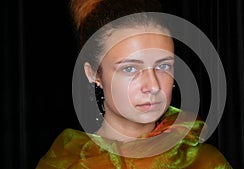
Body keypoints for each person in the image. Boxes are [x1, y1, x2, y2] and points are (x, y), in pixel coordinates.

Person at [36, 0, 232, 168]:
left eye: (163, 66)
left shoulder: (204, 162)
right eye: (130, 69)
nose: (153, 86)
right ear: (93, 73)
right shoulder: (66, 164)